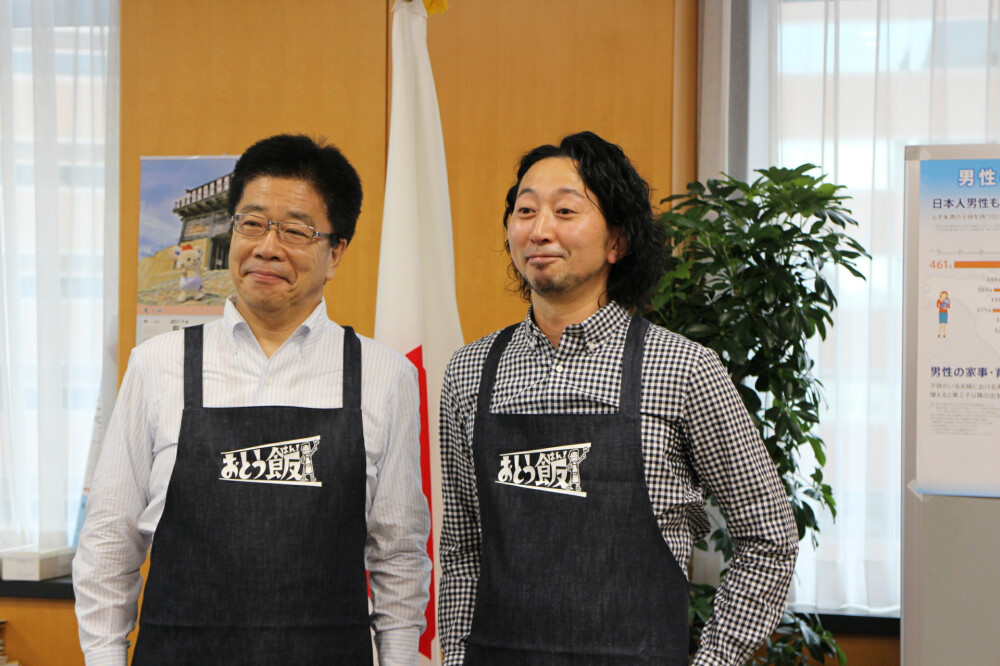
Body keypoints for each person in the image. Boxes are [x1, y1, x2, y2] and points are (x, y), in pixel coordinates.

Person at [438, 131, 798, 665]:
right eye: (525, 210)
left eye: (565, 210)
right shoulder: (470, 372)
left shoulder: (682, 369)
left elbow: (769, 536)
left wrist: (714, 661)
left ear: (617, 242)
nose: (540, 230)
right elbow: (463, 549)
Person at [74, 134, 431, 665]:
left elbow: (399, 556)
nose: (268, 246)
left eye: (296, 230)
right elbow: (109, 542)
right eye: (253, 223)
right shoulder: (157, 365)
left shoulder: (385, 376)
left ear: (335, 253)